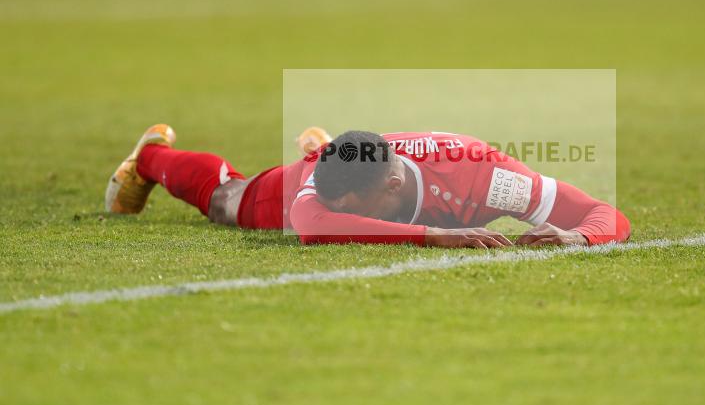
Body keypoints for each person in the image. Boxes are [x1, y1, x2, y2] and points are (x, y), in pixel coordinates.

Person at [106, 124, 631, 249]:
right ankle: (150, 158)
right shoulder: (320, 189)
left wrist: (577, 238)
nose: (324, 201)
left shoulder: (490, 181)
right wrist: (435, 236)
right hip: (338, 159)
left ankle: (321, 142)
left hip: (364, 162)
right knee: (230, 202)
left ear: (389, 188)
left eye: (340, 200)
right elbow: (313, 223)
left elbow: (607, 215)